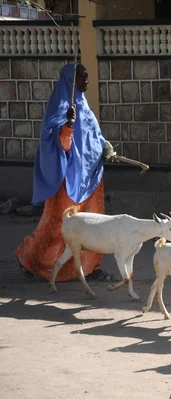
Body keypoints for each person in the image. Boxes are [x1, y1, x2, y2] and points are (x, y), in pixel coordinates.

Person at [15, 63, 117, 282]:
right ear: (71, 81)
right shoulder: (59, 108)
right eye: (82, 77)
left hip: (91, 178)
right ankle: (30, 261)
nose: (86, 81)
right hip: (67, 179)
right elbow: (58, 146)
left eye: (87, 76)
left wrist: (105, 147)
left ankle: (91, 268)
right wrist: (68, 126)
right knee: (57, 227)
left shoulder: (85, 107)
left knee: (94, 225)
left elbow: (93, 138)